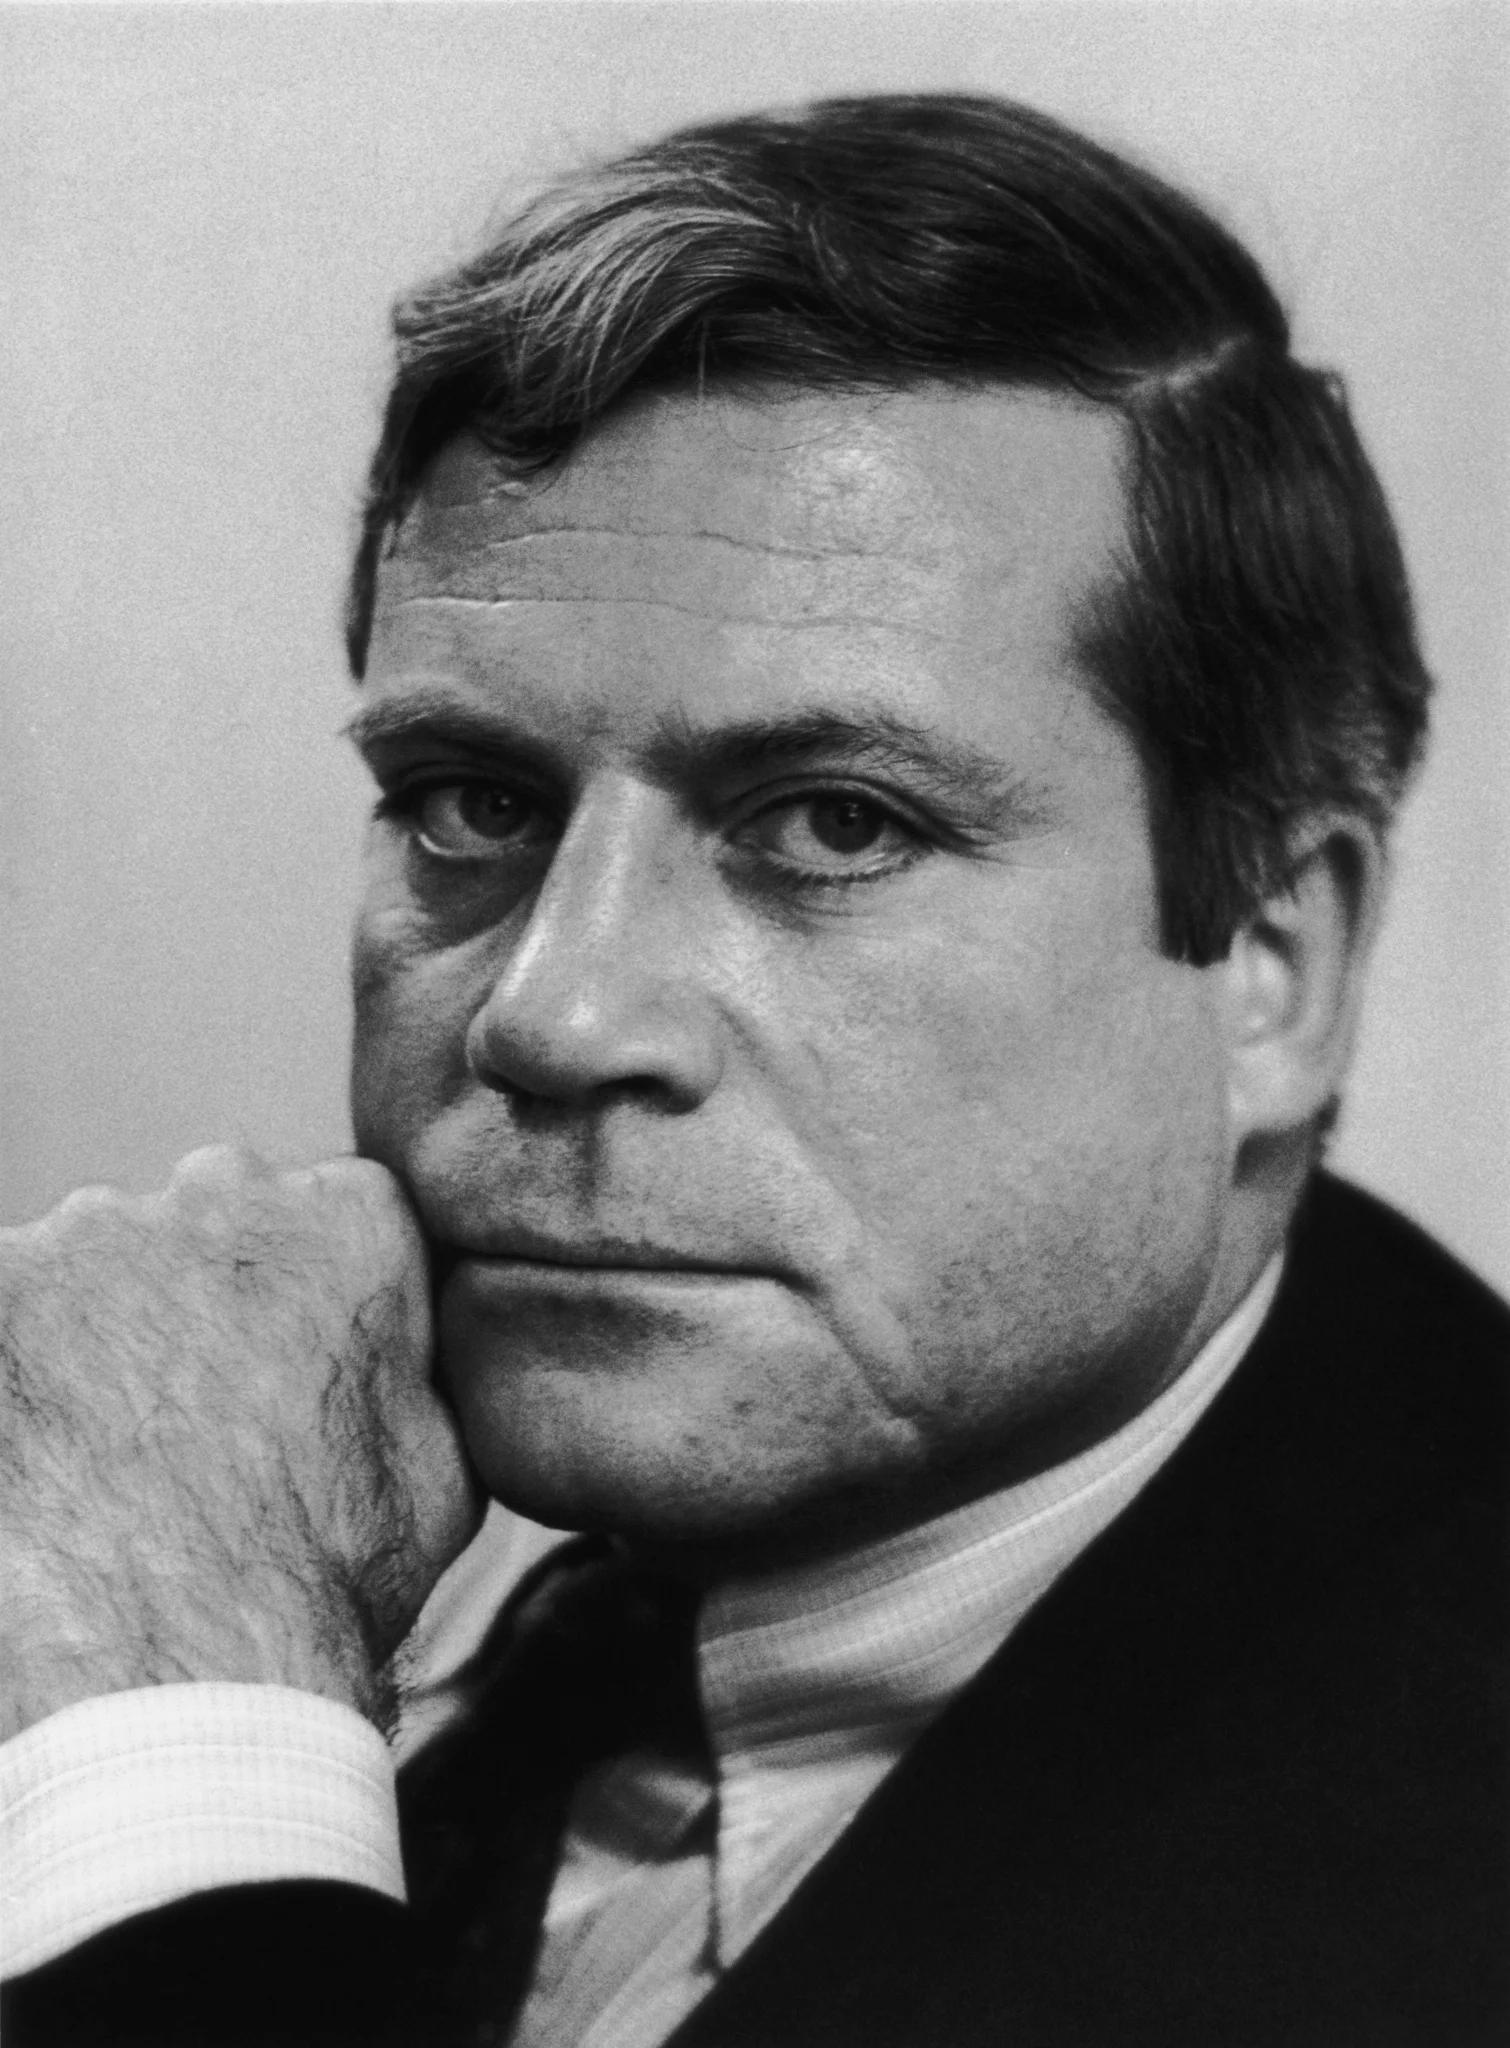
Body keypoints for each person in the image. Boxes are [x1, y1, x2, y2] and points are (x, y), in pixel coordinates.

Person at [1, 92, 1505, 2047]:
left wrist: (184, 1746)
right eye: (470, 801)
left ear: (1271, 969)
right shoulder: (564, 1651)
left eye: (832, 824)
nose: (551, 1016)